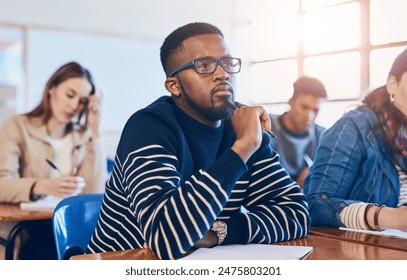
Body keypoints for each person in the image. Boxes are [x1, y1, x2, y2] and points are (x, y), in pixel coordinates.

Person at [87, 22, 310, 260]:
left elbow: (295, 214)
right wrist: (242, 149)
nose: (223, 74)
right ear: (174, 86)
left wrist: (219, 233)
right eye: (204, 65)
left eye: (227, 63)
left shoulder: (244, 129)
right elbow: (167, 239)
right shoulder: (148, 127)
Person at [0, 61, 107, 259]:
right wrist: (44, 186)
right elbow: (2, 185)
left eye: (83, 101)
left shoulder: (83, 136)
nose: (75, 105)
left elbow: (94, 191)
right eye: (70, 95)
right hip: (26, 228)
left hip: (67, 227)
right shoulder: (17, 126)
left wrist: (95, 129)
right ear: (52, 89)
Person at [303, 48, 407, 232]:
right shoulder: (353, 126)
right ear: (393, 84)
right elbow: (317, 205)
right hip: (369, 251)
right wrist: (391, 217)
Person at [269, 76, 327, 187]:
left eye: (315, 110)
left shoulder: (322, 136)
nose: (309, 116)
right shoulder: (267, 126)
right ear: (291, 102)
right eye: (304, 107)